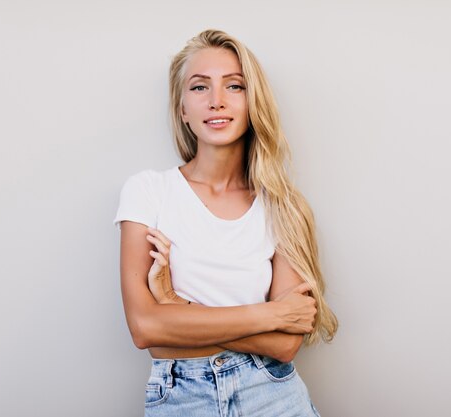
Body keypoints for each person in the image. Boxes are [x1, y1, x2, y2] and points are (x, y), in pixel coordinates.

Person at [113, 29, 338, 417]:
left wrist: (174, 305)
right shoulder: (148, 191)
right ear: (182, 108)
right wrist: (269, 314)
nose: (216, 101)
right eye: (199, 88)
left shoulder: (284, 206)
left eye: (234, 86)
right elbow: (146, 330)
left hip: (274, 395)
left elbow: (284, 346)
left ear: (253, 102)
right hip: (181, 397)